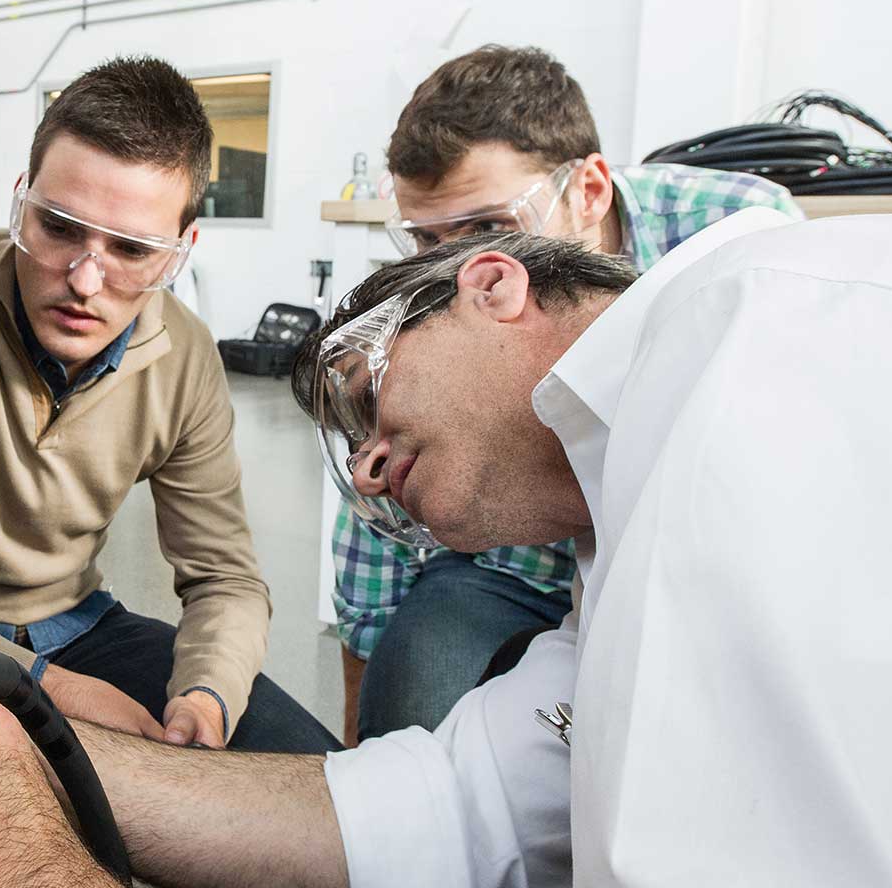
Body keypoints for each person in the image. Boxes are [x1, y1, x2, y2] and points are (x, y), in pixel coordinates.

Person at [0, 209, 892, 888]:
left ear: (492, 285)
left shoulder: (765, 338)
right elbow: (454, 816)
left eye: (367, 400)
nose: (373, 472)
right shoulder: (620, 524)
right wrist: (45, 751)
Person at [335, 44, 803, 740]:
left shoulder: (729, 239)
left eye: (490, 229)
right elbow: (387, 462)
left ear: (588, 191)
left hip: (670, 557)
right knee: (415, 701)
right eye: (425, 241)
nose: (455, 271)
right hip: (504, 565)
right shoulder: (435, 292)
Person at [0, 55, 337, 753]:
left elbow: (225, 578)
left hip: (77, 627)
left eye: (131, 249)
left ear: (181, 250)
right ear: (20, 198)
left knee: (309, 776)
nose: (85, 281)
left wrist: (206, 696)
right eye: (59, 227)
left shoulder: (184, 357)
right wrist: (45, 687)